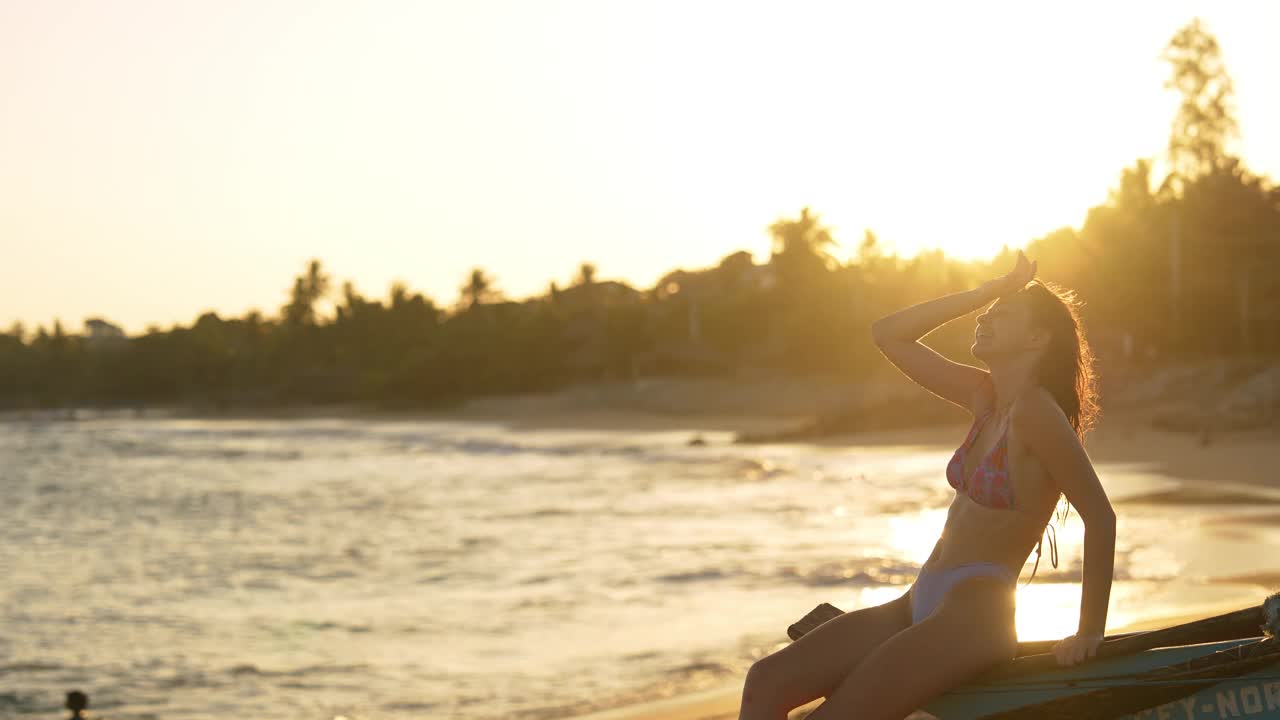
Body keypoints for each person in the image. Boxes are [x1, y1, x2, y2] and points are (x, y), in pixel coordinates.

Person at [737, 251, 1115, 720]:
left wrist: (1089, 632)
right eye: (988, 312)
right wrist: (987, 290)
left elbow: (1100, 515)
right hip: (918, 598)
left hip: (974, 614)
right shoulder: (986, 398)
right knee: (764, 684)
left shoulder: (1037, 413)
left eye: (1003, 314)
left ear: (1038, 337)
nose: (986, 318)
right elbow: (888, 335)